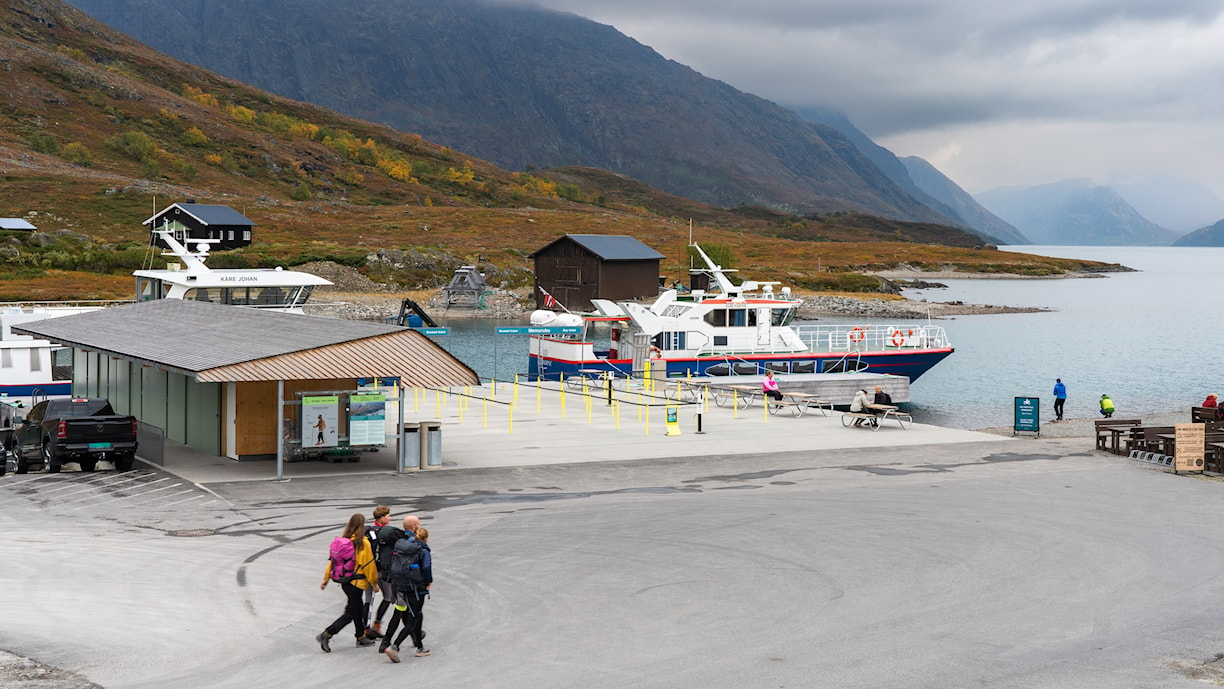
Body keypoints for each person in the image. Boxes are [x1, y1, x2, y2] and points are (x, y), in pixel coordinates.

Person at [317, 514, 380, 652]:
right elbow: (369, 565)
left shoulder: (343, 541)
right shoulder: (363, 543)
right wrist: (374, 583)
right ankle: (327, 633)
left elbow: (332, 562)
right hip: (358, 583)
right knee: (351, 612)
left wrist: (326, 579)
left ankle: (360, 636)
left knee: (357, 608)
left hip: (345, 582)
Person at [380, 516, 432, 662]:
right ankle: (394, 646)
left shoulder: (400, 543)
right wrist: (428, 582)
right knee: (413, 619)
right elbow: (426, 567)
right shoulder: (422, 549)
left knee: (413, 614)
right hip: (417, 587)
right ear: (415, 527)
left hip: (401, 585)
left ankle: (420, 647)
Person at [364, 506, 393, 638]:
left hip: (369, 569)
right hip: (382, 570)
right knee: (388, 596)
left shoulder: (368, 531)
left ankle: (366, 628)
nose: (390, 518)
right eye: (388, 516)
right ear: (381, 518)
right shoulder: (387, 532)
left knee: (368, 599)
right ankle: (377, 624)